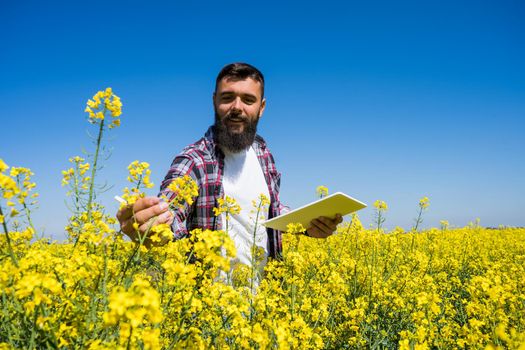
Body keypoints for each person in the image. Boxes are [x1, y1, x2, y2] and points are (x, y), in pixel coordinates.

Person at [117, 62, 342, 264]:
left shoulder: (263, 154)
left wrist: (307, 224)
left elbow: (268, 209)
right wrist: (153, 224)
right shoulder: (194, 159)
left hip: (264, 302)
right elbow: (172, 209)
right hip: (208, 306)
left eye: (248, 99)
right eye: (227, 98)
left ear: (261, 108)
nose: (237, 107)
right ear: (214, 101)